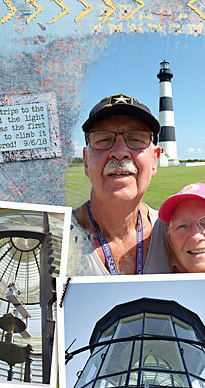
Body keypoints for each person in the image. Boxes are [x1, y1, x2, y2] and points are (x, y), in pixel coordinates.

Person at [69, 94, 170, 275]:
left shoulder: (175, 236)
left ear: (155, 159)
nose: (120, 152)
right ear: (85, 161)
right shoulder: (52, 239)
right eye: (102, 139)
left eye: (137, 139)